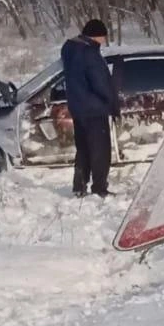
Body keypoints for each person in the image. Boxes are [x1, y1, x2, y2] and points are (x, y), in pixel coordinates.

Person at [61, 18, 120, 197]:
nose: (104, 41)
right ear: (96, 35)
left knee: (84, 148)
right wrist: (112, 104)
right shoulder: (89, 54)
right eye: (103, 37)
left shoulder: (70, 49)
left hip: (78, 109)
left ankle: (79, 186)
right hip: (95, 109)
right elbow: (101, 82)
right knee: (100, 151)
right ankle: (99, 187)